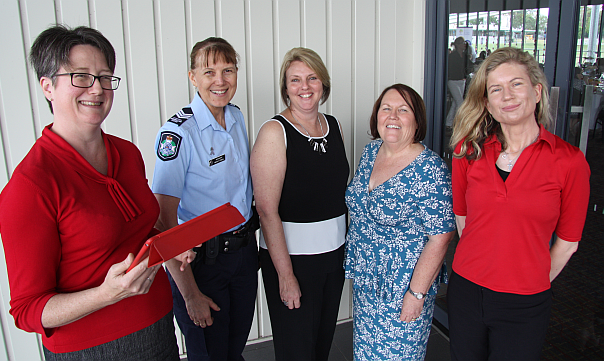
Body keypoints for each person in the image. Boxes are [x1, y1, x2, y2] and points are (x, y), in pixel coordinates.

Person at [0, 25, 179, 360]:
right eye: (81, 76)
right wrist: (105, 295)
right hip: (92, 348)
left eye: (105, 77)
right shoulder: (30, 186)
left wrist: (172, 244)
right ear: (47, 87)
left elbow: (136, 233)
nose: (97, 89)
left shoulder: (127, 153)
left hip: (157, 325)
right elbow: (28, 311)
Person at [448, 47, 591, 361]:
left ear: (537, 92)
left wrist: (528, 278)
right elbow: (462, 217)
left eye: (516, 84)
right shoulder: (468, 150)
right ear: (487, 103)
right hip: (466, 290)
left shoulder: (569, 161)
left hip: (525, 301)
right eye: (496, 89)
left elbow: (568, 243)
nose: (507, 95)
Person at [152, 37, 258, 361]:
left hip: (242, 254)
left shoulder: (236, 117)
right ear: (192, 77)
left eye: (228, 70)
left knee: (234, 346)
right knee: (210, 355)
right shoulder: (178, 134)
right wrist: (189, 293)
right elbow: (162, 223)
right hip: (202, 264)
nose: (220, 80)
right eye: (209, 71)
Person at [344, 84, 456, 360]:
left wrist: (416, 295)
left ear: (417, 121)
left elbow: (441, 236)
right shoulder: (371, 152)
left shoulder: (430, 169)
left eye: (403, 110)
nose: (393, 116)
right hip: (368, 282)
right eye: (386, 108)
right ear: (377, 117)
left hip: (403, 285)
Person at [251, 47, 349, 361]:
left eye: (311, 78)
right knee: (296, 351)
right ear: (285, 87)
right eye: (295, 80)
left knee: (320, 345)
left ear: (323, 83)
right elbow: (267, 210)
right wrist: (286, 275)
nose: (304, 87)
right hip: (292, 261)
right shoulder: (274, 132)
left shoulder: (334, 126)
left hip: (332, 258)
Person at [446, 37, 469, 128]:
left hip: (461, 81)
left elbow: (467, 66)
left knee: (455, 103)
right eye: (462, 43)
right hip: (453, 81)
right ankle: (458, 124)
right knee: (460, 102)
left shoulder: (464, 55)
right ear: (458, 45)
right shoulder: (452, 56)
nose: (464, 44)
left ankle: (449, 123)